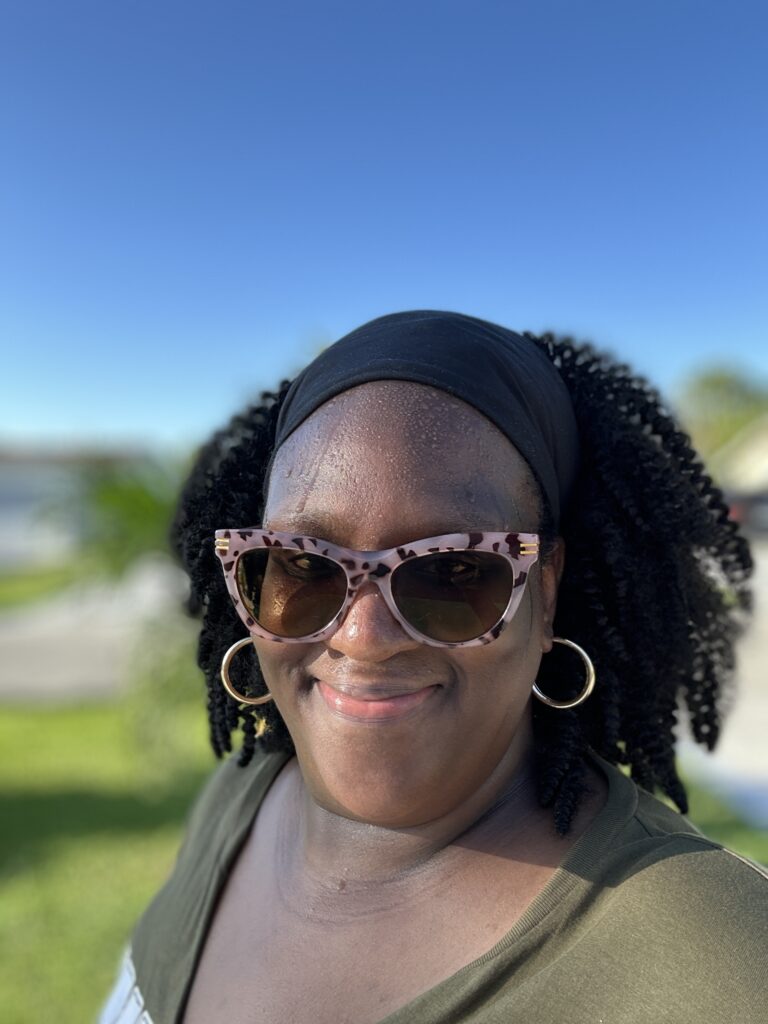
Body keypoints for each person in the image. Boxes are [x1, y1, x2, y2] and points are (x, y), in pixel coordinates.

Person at [100, 311, 766, 1024]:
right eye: (303, 565)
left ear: (544, 593)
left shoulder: (721, 966)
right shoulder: (240, 797)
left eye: (452, 572)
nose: (363, 636)